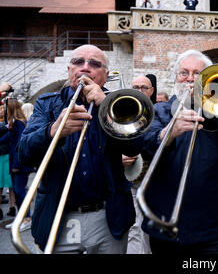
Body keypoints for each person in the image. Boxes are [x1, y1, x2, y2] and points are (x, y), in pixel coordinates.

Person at [17, 44, 144, 254]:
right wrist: (53, 131)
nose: (85, 68)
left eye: (94, 64)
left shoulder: (119, 106)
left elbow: (135, 146)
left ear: (105, 75)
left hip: (107, 217)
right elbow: (23, 154)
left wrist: (107, 107)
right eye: (78, 62)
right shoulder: (46, 104)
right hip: (59, 215)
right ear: (69, 70)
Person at [140, 49, 218, 254]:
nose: (190, 79)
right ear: (175, 78)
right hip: (162, 224)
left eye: (197, 74)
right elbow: (145, 146)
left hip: (209, 228)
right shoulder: (160, 110)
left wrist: (216, 107)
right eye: (184, 73)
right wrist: (169, 132)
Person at [123, 75, 155, 254]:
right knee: (134, 227)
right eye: (135, 87)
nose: (139, 91)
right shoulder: (121, 111)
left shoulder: (160, 113)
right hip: (131, 180)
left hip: (155, 181)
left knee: (152, 227)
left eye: (144, 87)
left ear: (151, 91)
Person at [0, 98, 34, 231]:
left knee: (19, 191)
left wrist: (16, 164)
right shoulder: (15, 123)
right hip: (16, 163)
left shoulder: (20, 124)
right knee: (18, 190)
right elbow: (7, 138)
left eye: (6, 109)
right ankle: (20, 218)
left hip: (19, 163)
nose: (4, 112)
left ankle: (27, 218)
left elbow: (20, 145)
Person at [0, 104, 14, 220]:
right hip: (2, 155)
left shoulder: (10, 122)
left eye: (2, 109)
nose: (1, 110)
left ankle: (12, 207)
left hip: (6, 155)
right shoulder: (7, 123)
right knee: (1, 184)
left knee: (9, 184)